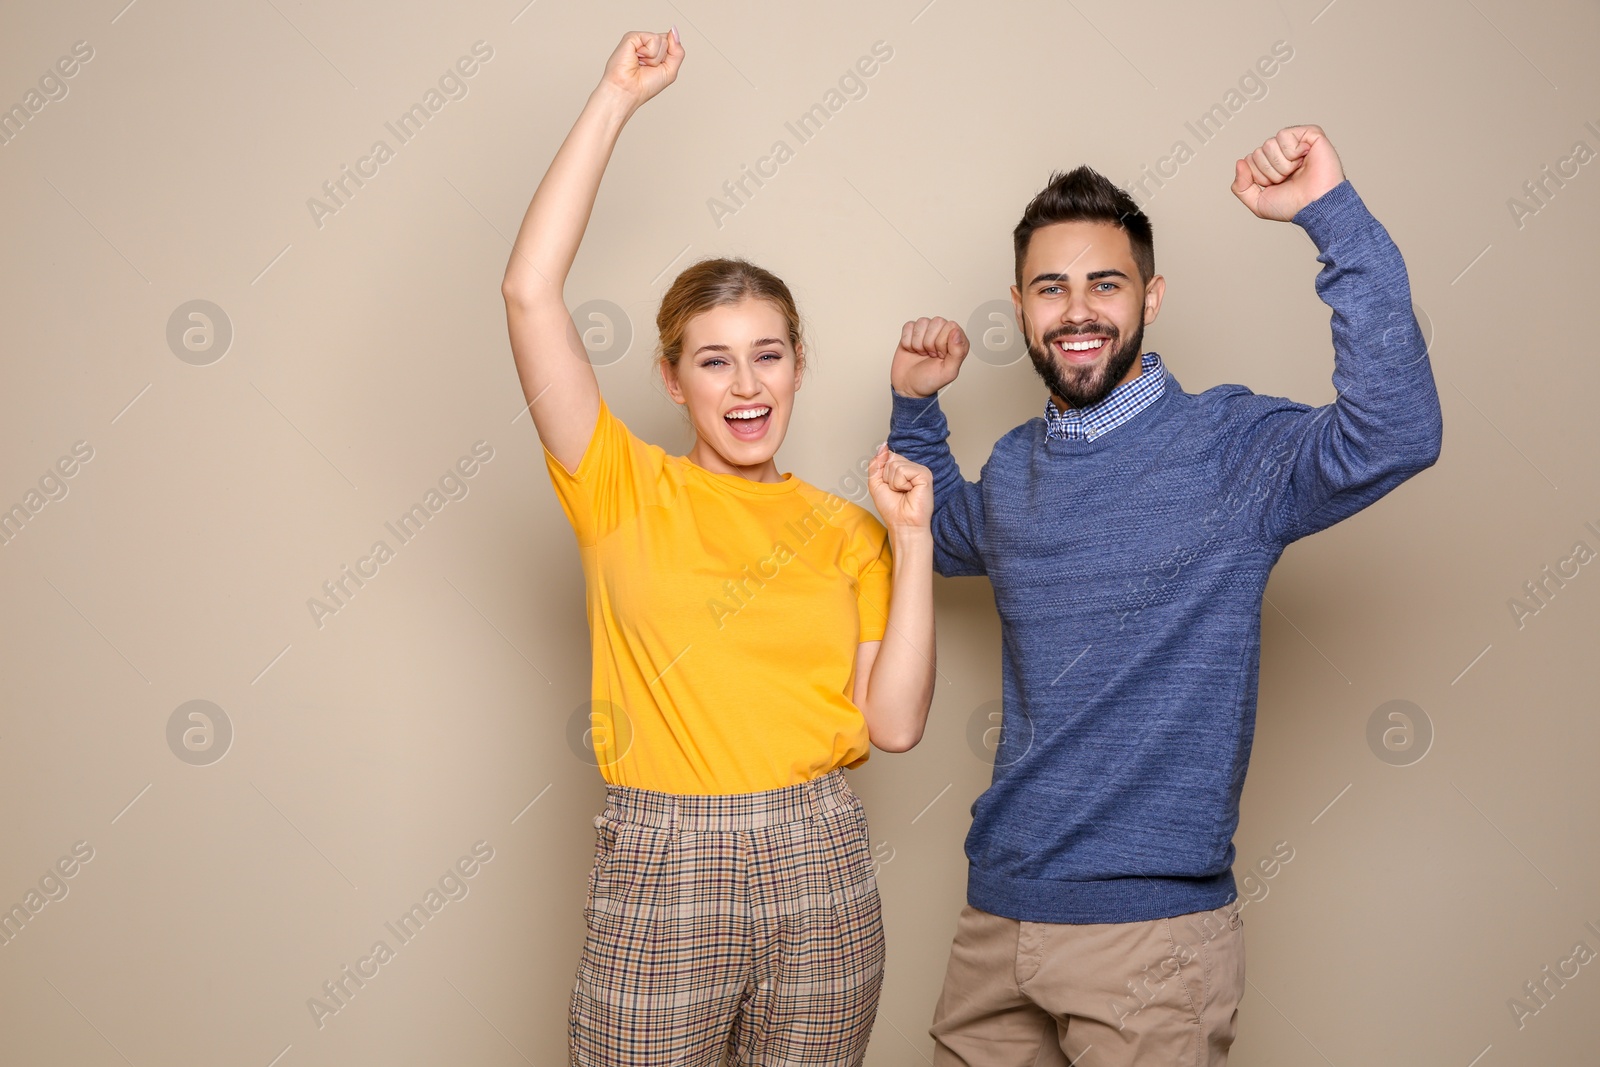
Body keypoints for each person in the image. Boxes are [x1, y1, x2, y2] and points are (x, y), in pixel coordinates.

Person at [886, 126, 1442, 1065]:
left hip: (1149, 940)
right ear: (1020, 309)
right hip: (997, 919)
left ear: (1151, 296)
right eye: (1050, 288)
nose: (1077, 311)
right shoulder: (1019, 463)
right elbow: (935, 535)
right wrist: (914, 406)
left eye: (1105, 283)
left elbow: (1397, 430)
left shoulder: (1232, 450)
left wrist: (1328, 213)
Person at [500, 28, 940, 1066]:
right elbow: (529, 291)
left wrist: (912, 541)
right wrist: (616, 95)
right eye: (714, 360)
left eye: (767, 356)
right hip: (665, 857)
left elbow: (898, 723)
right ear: (672, 377)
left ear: (796, 365)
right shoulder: (619, 485)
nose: (746, 386)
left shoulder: (847, 531)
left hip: (821, 856)